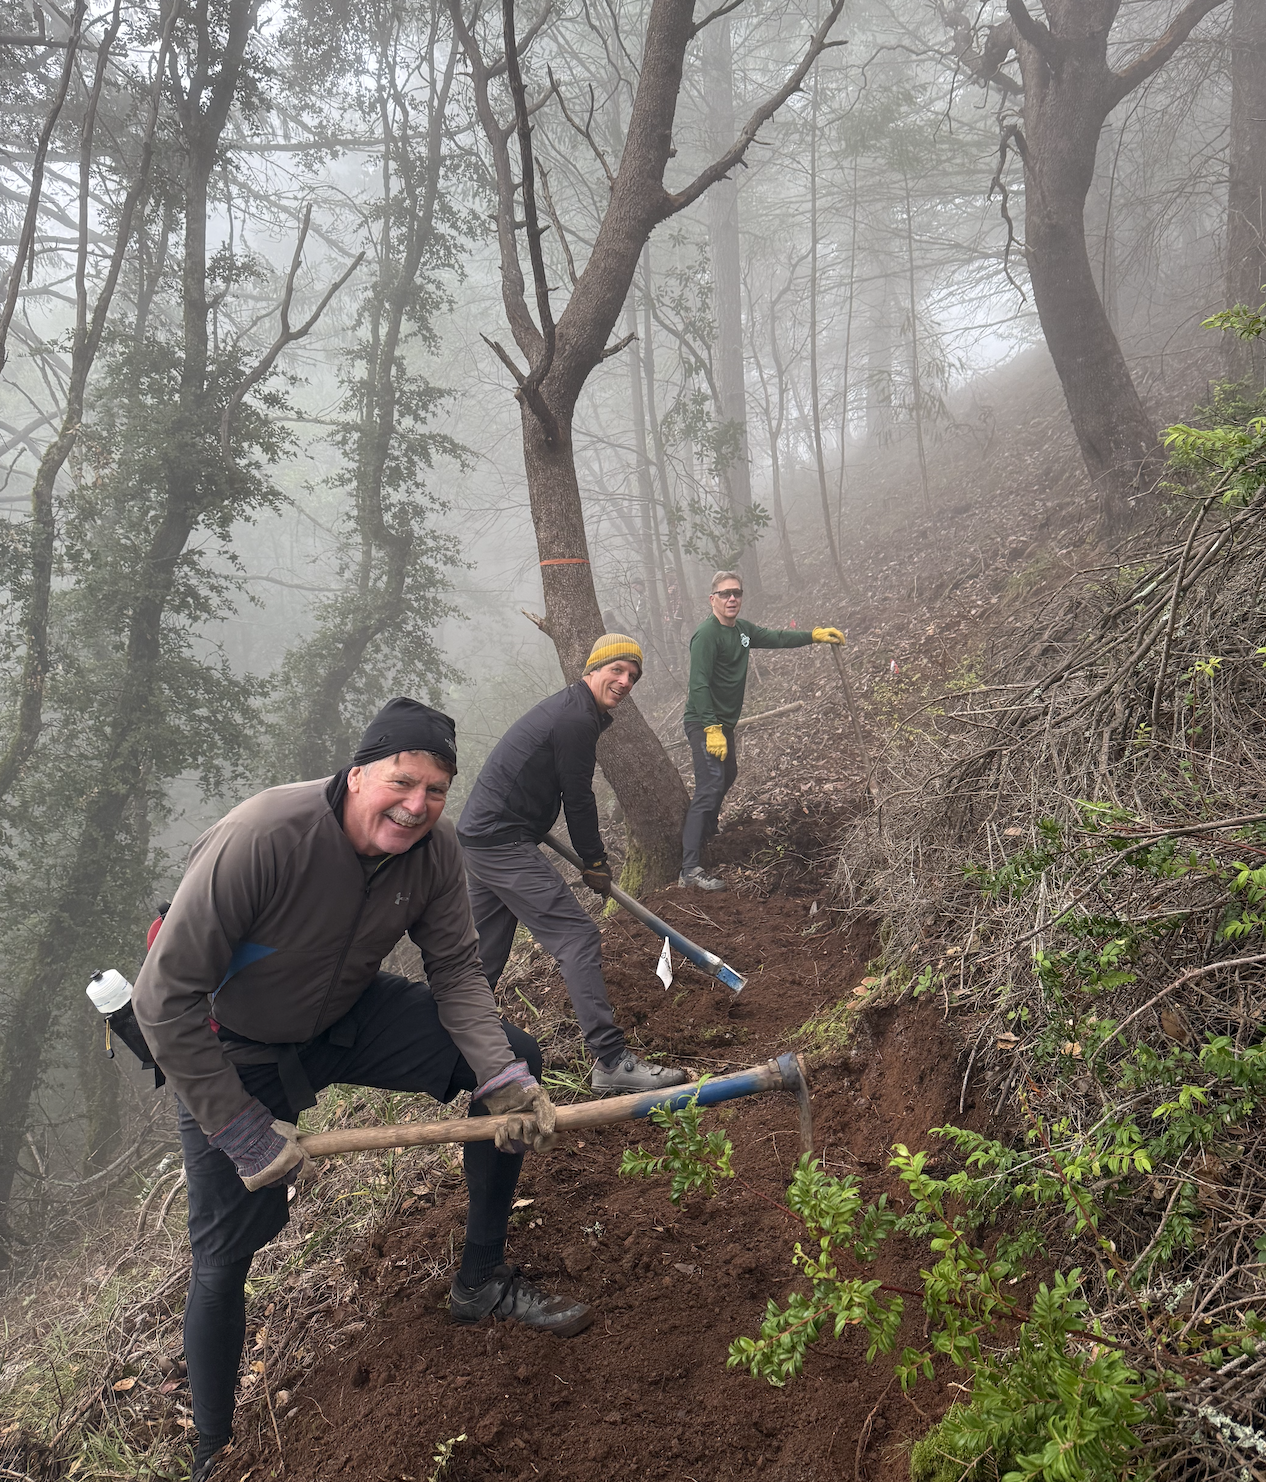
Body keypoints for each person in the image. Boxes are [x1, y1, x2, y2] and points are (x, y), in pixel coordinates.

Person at [134, 698, 587, 1482]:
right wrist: (237, 1128)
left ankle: (479, 1281)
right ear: (356, 775)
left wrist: (504, 1080)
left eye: (436, 791)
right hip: (232, 1049)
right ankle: (213, 1449)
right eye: (402, 782)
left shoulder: (435, 855)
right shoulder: (263, 837)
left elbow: (455, 972)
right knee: (221, 1257)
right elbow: (161, 1000)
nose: (417, 807)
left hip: (348, 1012)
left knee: (511, 1056)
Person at [458, 634, 689, 1095]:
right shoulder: (575, 719)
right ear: (593, 668)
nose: (625, 682)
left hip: (483, 834)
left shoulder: (573, 710)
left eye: (633, 676)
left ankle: (451, 1041)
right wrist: (595, 860)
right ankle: (610, 1061)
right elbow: (579, 798)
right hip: (500, 839)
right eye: (617, 670)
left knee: (487, 954)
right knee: (577, 936)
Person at [680, 571, 845, 890]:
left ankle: (707, 829)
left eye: (737, 593)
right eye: (725, 594)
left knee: (728, 775)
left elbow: (777, 637)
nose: (732, 599)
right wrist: (712, 727)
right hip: (704, 722)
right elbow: (698, 684)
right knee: (710, 784)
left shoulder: (742, 631)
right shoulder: (706, 635)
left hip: (722, 725)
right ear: (712, 599)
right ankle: (689, 868)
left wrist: (814, 635)